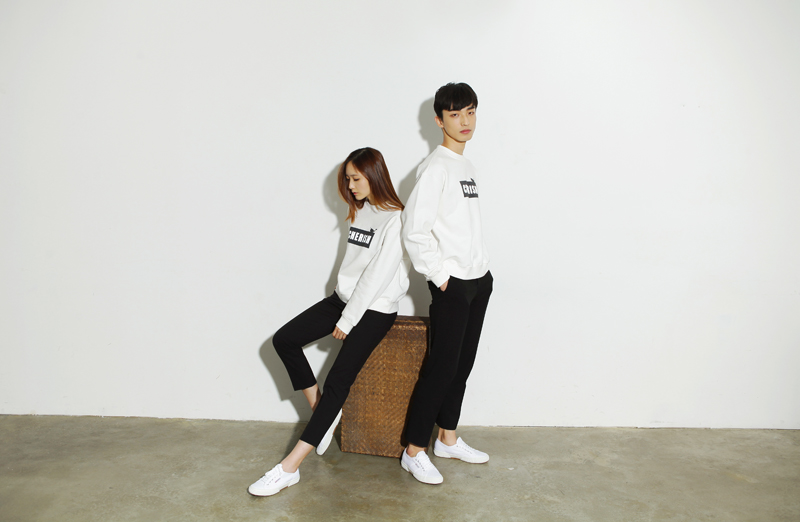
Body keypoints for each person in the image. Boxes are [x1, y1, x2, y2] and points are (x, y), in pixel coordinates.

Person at [248, 147, 409, 496]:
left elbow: (376, 278)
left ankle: (288, 468)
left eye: (356, 179)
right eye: (347, 179)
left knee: (338, 380)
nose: (350, 186)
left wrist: (348, 321)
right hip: (344, 298)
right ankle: (323, 411)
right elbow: (353, 268)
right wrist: (342, 305)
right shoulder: (360, 210)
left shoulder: (396, 219)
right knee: (284, 340)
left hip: (376, 309)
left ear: (374, 176)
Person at [400, 82, 493, 485]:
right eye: (455, 114)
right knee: (440, 369)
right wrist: (441, 278)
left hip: (478, 281)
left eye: (470, 112)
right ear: (439, 121)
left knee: (461, 366)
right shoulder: (435, 167)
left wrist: (482, 272)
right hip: (452, 285)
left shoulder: (466, 167)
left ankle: (447, 439)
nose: (464, 121)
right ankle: (413, 450)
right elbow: (413, 230)